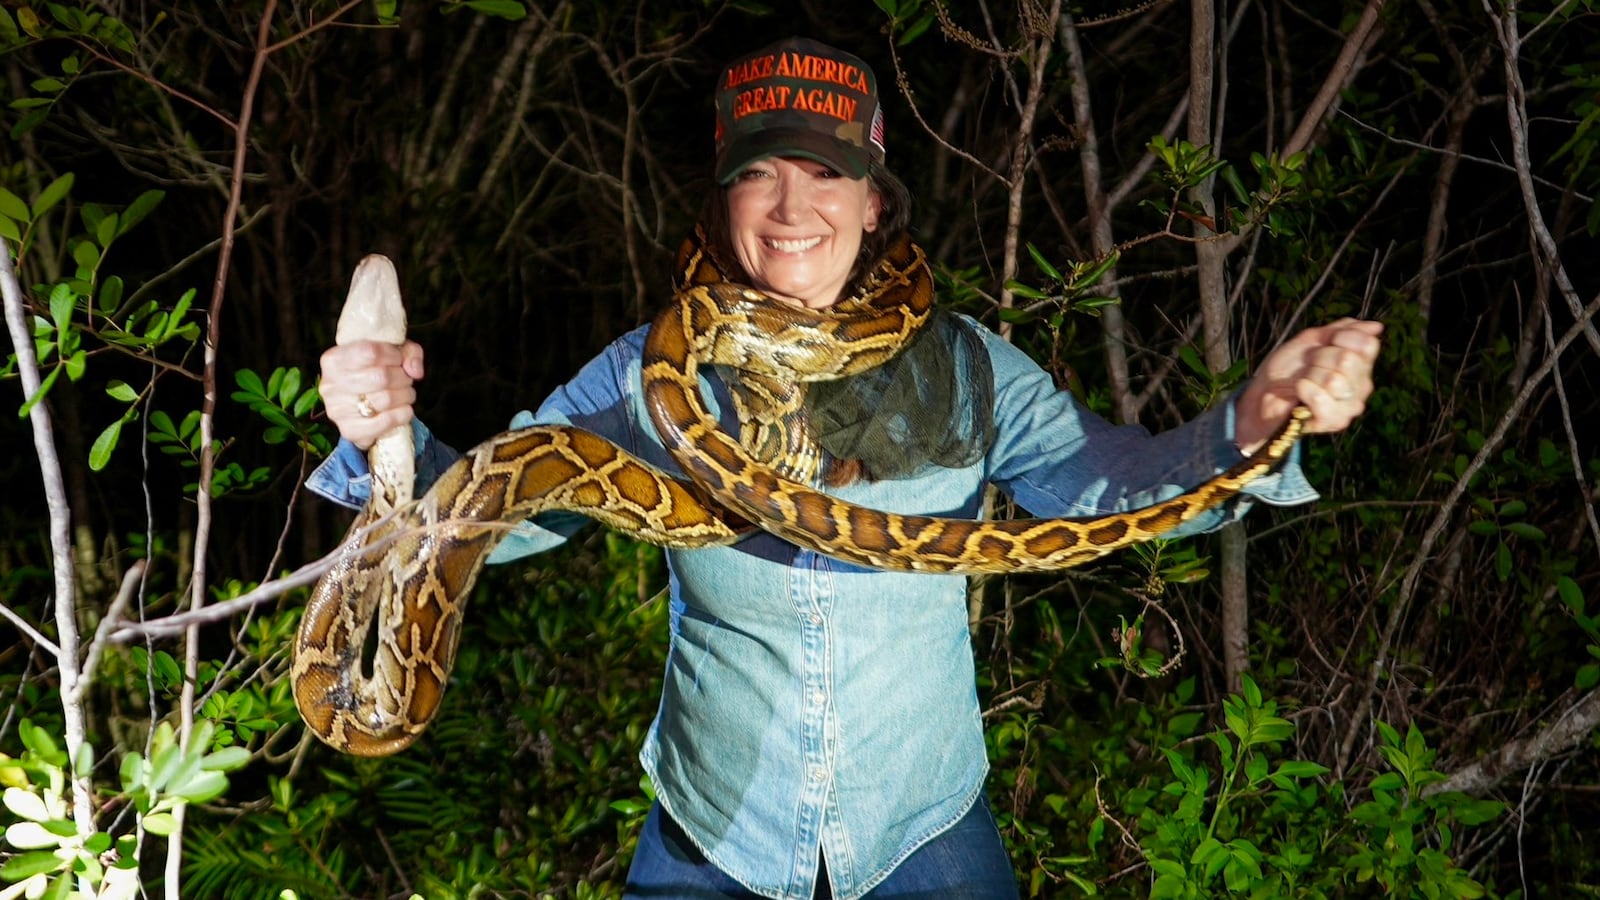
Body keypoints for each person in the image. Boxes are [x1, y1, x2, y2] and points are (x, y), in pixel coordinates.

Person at [309, 36, 1382, 900]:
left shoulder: (963, 365)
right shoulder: (647, 369)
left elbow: (1105, 487)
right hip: (714, 827)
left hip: (922, 826)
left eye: (825, 172)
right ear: (722, 198)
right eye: (757, 173)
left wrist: (1251, 417)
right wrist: (384, 442)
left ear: (875, 200)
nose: (789, 209)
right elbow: (505, 511)